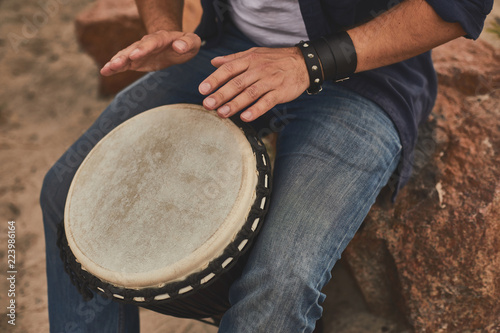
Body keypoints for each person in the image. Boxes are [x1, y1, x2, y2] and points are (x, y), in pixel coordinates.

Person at [40, 0, 492, 332]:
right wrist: (165, 26)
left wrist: (307, 63)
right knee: (68, 198)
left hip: (366, 74)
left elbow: (459, 5)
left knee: (281, 282)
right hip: (228, 48)